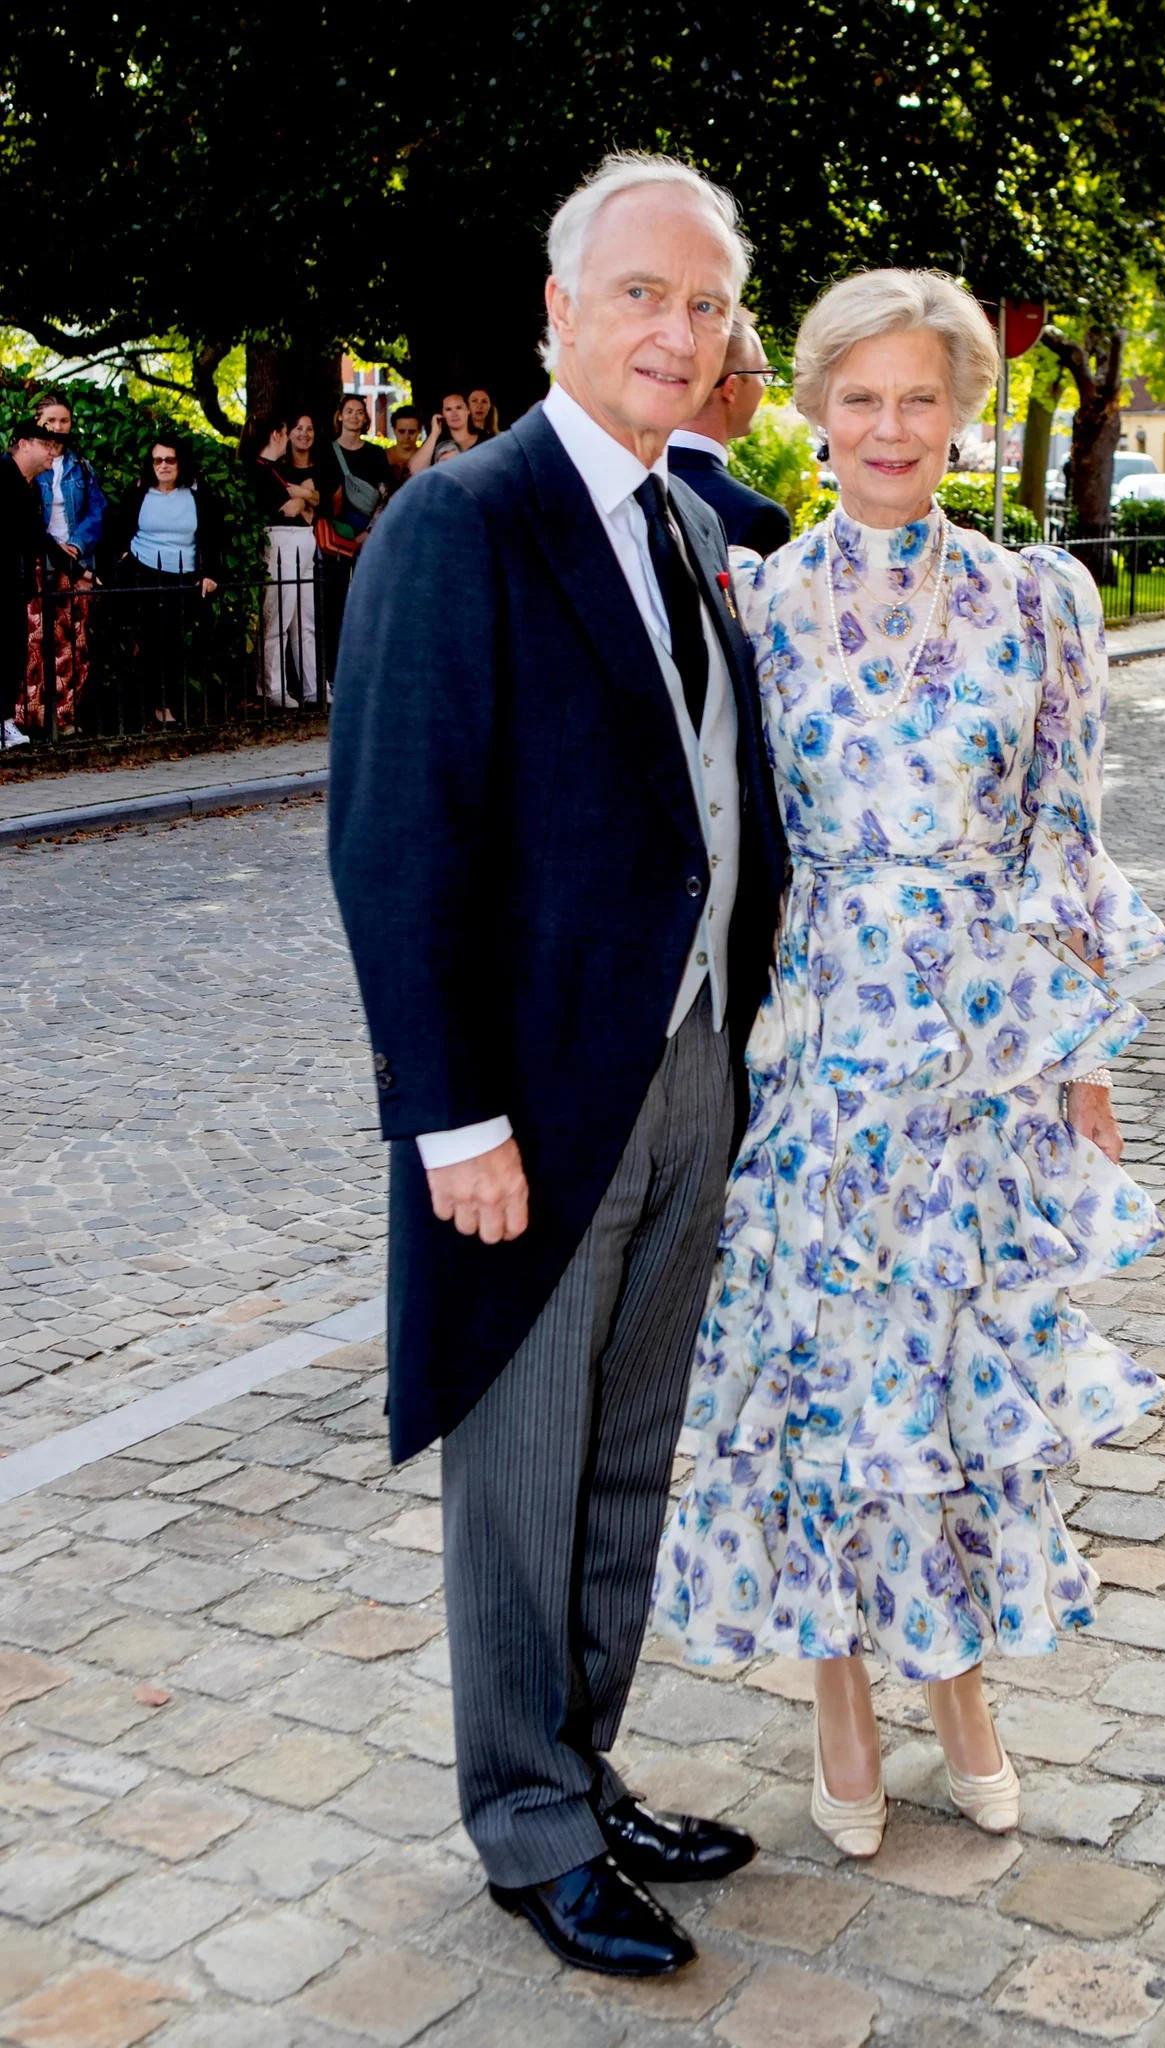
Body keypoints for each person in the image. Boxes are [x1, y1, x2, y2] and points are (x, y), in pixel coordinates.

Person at [329, 152, 785, 1979]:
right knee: (520, 1478)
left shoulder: (688, 516)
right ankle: (525, 1820)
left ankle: (581, 1766)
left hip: (687, 1071)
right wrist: (451, 1113)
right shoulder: (465, 520)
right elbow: (395, 838)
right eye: (640, 296)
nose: (675, 332)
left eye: (704, 304)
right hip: (523, 1104)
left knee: (623, 1461)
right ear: (559, 312)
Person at [653, 268, 1165, 1854]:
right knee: (821, 1385)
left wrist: (1083, 1073)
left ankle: (960, 1693)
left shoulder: (1040, 604)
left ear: (961, 416)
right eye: (860, 397)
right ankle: (838, 1703)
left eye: (921, 399)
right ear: (814, 410)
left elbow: (1064, 842)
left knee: (959, 1386)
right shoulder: (757, 602)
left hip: (980, 1067)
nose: (891, 427)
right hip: (821, 1059)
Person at [105, 433, 222, 726]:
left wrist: (210, 573)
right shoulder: (140, 492)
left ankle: (167, 706)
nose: (164, 465)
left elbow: (211, 537)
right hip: (142, 573)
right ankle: (145, 710)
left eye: (170, 459)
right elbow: (118, 526)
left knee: (173, 646)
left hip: (183, 577)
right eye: (157, 460)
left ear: (180, 463)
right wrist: (122, 557)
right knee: (143, 643)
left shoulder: (197, 494)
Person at [668, 311, 791, 555]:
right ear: (731, 388)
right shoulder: (757, 518)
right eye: (763, 375)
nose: (765, 389)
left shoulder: (618, 483)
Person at [22, 392, 105, 735]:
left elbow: (96, 512)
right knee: (34, 645)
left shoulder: (80, 467)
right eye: (51, 420)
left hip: (74, 562)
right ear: (37, 423)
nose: (58, 427)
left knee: (72, 644)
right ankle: (30, 718)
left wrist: (75, 545)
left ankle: (65, 717)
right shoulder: (26, 465)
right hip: (37, 563)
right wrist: (51, 548)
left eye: (64, 420)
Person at [2, 419, 70, 747]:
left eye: (55, 448)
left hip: (15, 584)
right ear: (24, 444)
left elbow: (36, 537)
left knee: (12, 653)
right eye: (47, 446)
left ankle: (3, 723)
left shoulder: (28, 487)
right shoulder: (3, 477)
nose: (52, 454)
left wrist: (75, 567)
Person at [244, 416, 319, 710]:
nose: (289, 438)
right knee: (278, 618)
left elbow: (310, 504)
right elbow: (290, 509)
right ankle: (272, 687)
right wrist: (305, 496)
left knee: (306, 621)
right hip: (282, 542)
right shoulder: (260, 470)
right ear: (276, 434)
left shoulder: (279, 470)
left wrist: (302, 495)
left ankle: (313, 687)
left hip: (301, 541)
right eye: (288, 431)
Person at [318, 393, 389, 680]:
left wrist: (369, 531)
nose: (355, 416)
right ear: (339, 415)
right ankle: (334, 672)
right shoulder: (325, 452)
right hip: (335, 538)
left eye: (360, 412)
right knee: (333, 603)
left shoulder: (375, 454)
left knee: (369, 601)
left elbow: (385, 493)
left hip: (367, 536)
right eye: (349, 411)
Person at [407, 390, 485, 474]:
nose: (454, 413)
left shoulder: (485, 438)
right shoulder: (436, 442)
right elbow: (415, 470)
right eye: (448, 409)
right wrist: (434, 434)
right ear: (442, 415)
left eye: (458, 407)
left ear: (468, 410)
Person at [386, 404, 423, 492]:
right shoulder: (381, 456)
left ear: (419, 431)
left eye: (411, 432)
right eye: (402, 431)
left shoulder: (427, 457)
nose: (406, 437)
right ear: (394, 430)